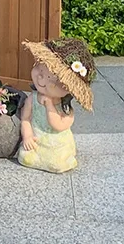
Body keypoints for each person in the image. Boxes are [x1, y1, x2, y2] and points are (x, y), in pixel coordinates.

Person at [17, 37, 96, 173]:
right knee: (25, 157)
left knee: (56, 164)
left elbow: (58, 126)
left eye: (50, 78)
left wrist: (50, 107)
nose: (41, 79)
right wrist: (28, 136)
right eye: (40, 71)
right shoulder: (33, 99)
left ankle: (66, 158)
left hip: (56, 142)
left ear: (66, 88)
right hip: (37, 138)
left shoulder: (65, 109)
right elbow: (25, 119)